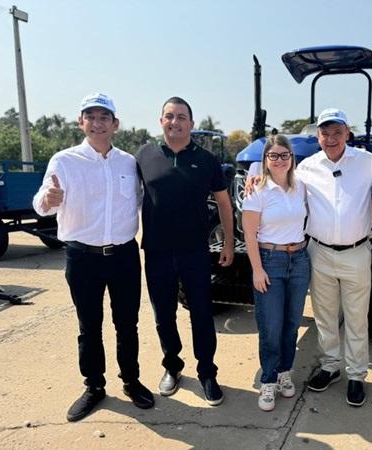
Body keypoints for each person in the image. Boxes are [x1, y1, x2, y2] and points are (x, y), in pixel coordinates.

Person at [33, 93, 154, 422]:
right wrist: (49, 197)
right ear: (81, 122)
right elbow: (41, 203)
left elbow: (147, 202)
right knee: (89, 326)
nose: (98, 123)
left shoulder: (129, 162)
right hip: (82, 257)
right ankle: (94, 387)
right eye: (91, 116)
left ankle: (131, 380)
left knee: (127, 324)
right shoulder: (64, 161)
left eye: (105, 117)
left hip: (124, 256)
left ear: (115, 124)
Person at [135, 96, 234, 406]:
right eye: (169, 116)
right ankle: (172, 367)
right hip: (157, 252)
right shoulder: (143, 156)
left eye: (181, 117)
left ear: (191, 123)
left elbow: (224, 202)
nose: (174, 121)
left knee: (202, 314)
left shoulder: (205, 160)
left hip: (194, 252)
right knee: (163, 315)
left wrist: (229, 242)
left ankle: (207, 372)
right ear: (161, 121)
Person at [298, 108, 372, 407]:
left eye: (337, 132)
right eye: (325, 132)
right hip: (319, 251)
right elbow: (283, 189)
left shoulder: (367, 162)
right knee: (324, 315)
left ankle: (357, 375)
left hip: (357, 252)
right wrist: (258, 181)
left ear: (348, 133)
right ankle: (330, 366)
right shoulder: (307, 167)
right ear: (318, 136)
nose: (331, 138)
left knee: (357, 317)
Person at [242, 135, 310, 412]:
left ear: (292, 158)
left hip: (300, 259)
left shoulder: (301, 187)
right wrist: (257, 269)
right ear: (265, 161)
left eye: (285, 155)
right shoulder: (257, 190)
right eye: (274, 155)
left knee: (292, 322)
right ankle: (268, 380)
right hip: (270, 260)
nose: (280, 159)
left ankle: (284, 372)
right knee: (271, 325)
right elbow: (249, 233)